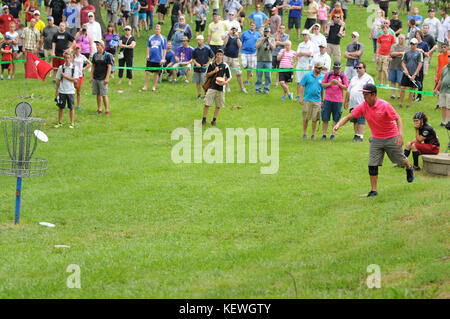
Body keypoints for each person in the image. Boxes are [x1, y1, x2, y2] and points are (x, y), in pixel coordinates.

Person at [333, 83, 415, 197]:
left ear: (374, 95)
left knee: (400, 160)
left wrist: (400, 134)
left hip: (391, 136)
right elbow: (348, 117)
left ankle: (409, 168)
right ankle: (373, 190)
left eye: (366, 94)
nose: (364, 97)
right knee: (372, 164)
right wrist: (338, 125)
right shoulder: (363, 106)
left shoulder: (384, 105)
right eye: (363, 94)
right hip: (376, 139)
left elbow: (398, 119)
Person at [344, 62, 374, 142]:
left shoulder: (368, 79)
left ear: (364, 69)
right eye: (357, 68)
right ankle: (356, 135)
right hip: (353, 103)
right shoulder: (354, 78)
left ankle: (360, 136)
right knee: (355, 120)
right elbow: (348, 90)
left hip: (362, 103)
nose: (358, 69)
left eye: (360, 68)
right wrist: (346, 101)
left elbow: (372, 91)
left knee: (361, 120)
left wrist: (370, 102)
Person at [202, 49, 231, 126]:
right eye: (217, 54)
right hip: (212, 86)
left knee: (218, 105)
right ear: (216, 55)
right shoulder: (211, 64)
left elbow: (229, 77)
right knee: (207, 103)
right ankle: (204, 119)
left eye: (220, 55)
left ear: (222, 55)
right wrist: (214, 71)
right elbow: (207, 75)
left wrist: (225, 82)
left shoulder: (225, 65)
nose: (219, 56)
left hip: (221, 88)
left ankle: (214, 120)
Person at [321, 61, 348, 140]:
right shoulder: (328, 74)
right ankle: (324, 134)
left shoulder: (343, 76)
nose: (336, 71)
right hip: (328, 99)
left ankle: (333, 134)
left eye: (338, 69)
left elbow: (346, 87)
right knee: (325, 118)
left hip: (338, 100)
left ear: (340, 68)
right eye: (335, 69)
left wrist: (339, 84)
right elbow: (323, 84)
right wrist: (330, 83)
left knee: (335, 118)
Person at [298, 61, 324, 140]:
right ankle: (305, 133)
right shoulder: (307, 75)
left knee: (315, 118)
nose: (319, 70)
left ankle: (313, 134)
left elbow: (323, 89)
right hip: (307, 100)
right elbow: (301, 85)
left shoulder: (322, 77)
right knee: (305, 118)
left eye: (320, 68)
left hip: (317, 100)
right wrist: (300, 97)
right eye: (318, 68)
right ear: (314, 68)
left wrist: (322, 100)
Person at [54, 52, 77, 128]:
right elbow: (58, 80)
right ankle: (59, 122)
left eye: (68, 57)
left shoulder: (74, 68)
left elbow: (75, 80)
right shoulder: (61, 68)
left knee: (71, 108)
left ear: (71, 58)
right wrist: (56, 91)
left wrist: (65, 76)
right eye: (66, 58)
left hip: (71, 91)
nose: (67, 59)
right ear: (64, 58)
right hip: (62, 91)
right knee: (61, 107)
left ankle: (72, 123)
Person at [90, 40, 113, 115]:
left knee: (104, 94)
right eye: (96, 45)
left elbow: (109, 67)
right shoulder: (95, 55)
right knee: (97, 94)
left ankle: (107, 110)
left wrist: (107, 78)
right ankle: (99, 108)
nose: (97, 46)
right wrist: (91, 77)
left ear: (102, 46)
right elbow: (93, 66)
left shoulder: (107, 55)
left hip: (103, 78)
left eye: (98, 45)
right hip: (95, 77)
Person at [399, 38, 423, 109]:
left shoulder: (419, 53)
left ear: (416, 44)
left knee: (412, 89)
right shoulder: (407, 52)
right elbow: (403, 62)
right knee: (402, 88)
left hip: (414, 74)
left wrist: (415, 74)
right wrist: (405, 69)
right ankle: (400, 103)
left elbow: (420, 64)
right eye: (411, 44)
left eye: (414, 44)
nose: (412, 45)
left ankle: (408, 105)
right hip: (406, 74)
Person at [141, 23, 166, 91]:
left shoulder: (163, 38)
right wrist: (147, 55)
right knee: (147, 72)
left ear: (160, 30)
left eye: (158, 29)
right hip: (150, 58)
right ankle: (145, 86)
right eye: (156, 29)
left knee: (156, 73)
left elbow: (164, 49)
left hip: (158, 59)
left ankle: (153, 87)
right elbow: (148, 46)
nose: (157, 30)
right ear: (154, 30)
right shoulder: (151, 37)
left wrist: (163, 58)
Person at [223, 25, 246, 93]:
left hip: (234, 58)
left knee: (238, 73)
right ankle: (227, 87)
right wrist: (228, 34)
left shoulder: (238, 37)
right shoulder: (227, 36)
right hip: (226, 56)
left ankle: (242, 88)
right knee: (225, 73)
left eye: (235, 30)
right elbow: (224, 44)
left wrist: (237, 37)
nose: (233, 31)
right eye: (232, 29)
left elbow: (240, 45)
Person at [295, 29, 316, 99]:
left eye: (305, 35)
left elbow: (310, 54)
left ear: (308, 35)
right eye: (303, 35)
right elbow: (297, 54)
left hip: (307, 64)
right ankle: (298, 95)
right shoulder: (300, 44)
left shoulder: (311, 44)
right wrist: (303, 53)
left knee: (307, 81)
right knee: (298, 80)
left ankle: (305, 95)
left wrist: (302, 53)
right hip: (300, 64)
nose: (304, 36)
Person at [192, 34, 214, 99]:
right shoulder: (195, 49)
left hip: (204, 69)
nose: (198, 41)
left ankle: (206, 94)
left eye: (199, 40)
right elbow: (193, 59)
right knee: (197, 82)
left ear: (203, 40)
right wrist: (196, 63)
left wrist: (208, 64)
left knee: (204, 82)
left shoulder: (207, 48)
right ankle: (199, 95)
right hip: (197, 69)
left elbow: (213, 57)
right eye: (197, 40)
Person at [255, 26, 275, 94]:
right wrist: (263, 40)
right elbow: (256, 46)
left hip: (268, 60)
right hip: (260, 59)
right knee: (259, 75)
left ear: (270, 33)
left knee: (268, 76)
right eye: (265, 32)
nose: (266, 33)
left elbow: (273, 47)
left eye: (268, 32)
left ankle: (266, 89)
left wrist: (268, 40)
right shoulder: (259, 39)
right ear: (263, 32)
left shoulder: (272, 39)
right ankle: (258, 89)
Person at [240, 21, 261, 85]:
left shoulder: (258, 34)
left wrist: (258, 52)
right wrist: (239, 51)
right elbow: (240, 42)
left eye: (253, 25)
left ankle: (247, 80)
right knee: (244, 64)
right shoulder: (244, 33)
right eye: (251, 25)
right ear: (250, 25)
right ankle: (250, 72)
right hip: (244, 51)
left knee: (250, 67)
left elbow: (259, 44)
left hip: (253, 52)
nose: (252, 26)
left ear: (255, 26)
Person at [72, 43, 91, 110]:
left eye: (78, 48)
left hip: (80, 75)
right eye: (76, 49)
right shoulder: (72, 56)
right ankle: (71, 104)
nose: (77, 50)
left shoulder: (82, 56)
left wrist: (84, 69)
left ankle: (78, 105)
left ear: (80, 49)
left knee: (79, 91)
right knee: (71, 91)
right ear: (74, 49)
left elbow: (89, 63)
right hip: (73, 75)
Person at [388, 34, 407, 100]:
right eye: (399, 38)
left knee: (400, 82)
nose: (400, 40)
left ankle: (399, 95)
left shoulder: (406, 47)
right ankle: (393, 95)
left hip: (401, 67)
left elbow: (405, 55)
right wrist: (401, 53)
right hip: (393, 65)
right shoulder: (394, 46)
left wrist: (396, 54)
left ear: (404, 39)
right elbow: (392, 54)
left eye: (402, 38)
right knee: (393, 81)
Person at [434, 57, 450, 127]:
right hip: (443, 90)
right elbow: (441, 79)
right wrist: (436, 88)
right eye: (449, 58)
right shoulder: (445, 67)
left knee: (449, 107)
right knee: (443, 106)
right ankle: (443, 122)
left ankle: (449, 122)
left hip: (449, 91)